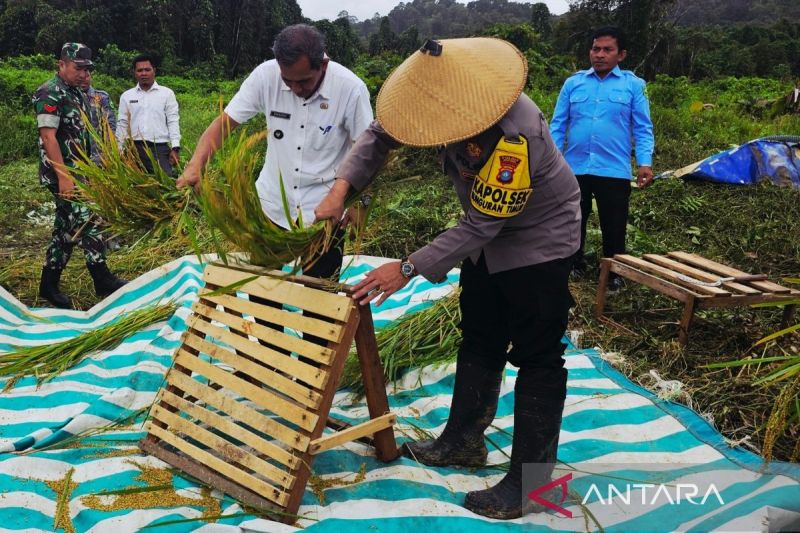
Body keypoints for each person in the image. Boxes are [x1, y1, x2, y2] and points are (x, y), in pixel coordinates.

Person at [314, 37, 581, 520]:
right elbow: (380, 134)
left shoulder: (515, 133)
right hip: (486, 245)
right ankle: (462, 440)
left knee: (538, 354)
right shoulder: (432, 100)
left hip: (538, 241)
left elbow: (482, 223)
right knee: (479, 334)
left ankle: (531, 483)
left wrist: (407, 268)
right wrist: (340, 189)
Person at [177, 23, 373, 280]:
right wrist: (196, 163)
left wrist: (359, 201)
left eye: (304, 81)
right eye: (288, 81)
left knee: (320, 290)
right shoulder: (265, 76)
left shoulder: (350, 89)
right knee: (263, 284)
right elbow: (224, 123)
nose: (296, 89)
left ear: (323, 65)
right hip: (271, 206)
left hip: (325, 210)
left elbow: (367, 151)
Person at [550, 26, 655, 289]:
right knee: (572, 219)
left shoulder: (634, 85)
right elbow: (558, 125)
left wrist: (645, 162)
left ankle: (614, 272)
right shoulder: (573, 83)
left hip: (613, 169)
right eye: (596, 49)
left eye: (608, 50)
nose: (600, 54)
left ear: (621, 55)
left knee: (614, 223)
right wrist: (551, 161)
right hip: (574, 167)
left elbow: (643, 127)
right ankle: (573, 264)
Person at [33, 43, 126, 309]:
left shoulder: (77, 94)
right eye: (78, 68)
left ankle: (48, 284)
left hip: (80, 172)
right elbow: (48, 137)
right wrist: (64, 176)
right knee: (90, 220)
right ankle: (102, 278)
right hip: (62, 173)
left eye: (87, 69)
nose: (84, 74)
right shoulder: (49, 92)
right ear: (61, 64)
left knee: (65, 230)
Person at [116, 54, 181, 175]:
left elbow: (173, 121)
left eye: (147, 69)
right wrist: (119, 149)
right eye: (140, 70)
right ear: (134, 73)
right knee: (133, 183)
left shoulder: (167, 94)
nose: (143, 73)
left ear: (154, 71)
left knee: (164, 182)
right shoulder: (127, 96)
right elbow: (122, 123)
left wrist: (175, 147)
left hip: (159, 149)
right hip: (133, 149)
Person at [81, 70, 117, 165]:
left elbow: (110, 125)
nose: (84, 79)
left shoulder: (101, 97)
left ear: (91, 77)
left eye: (87, 76)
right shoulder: (68, 96)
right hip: (75, 153)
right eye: (81, 77)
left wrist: (109, 150)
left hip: (98, 154)